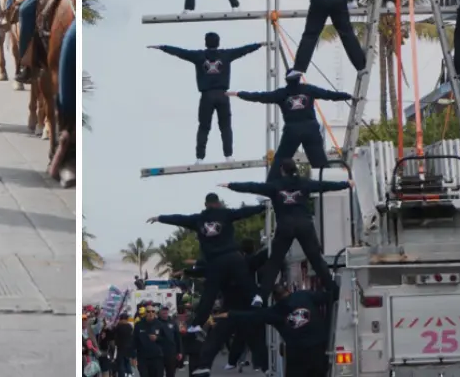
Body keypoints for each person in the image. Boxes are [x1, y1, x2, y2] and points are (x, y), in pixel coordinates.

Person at [221, 158, 351, 297]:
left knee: (274, 262)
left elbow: (253, 187)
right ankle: (333, 289)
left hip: (285, 226)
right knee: (316, 259)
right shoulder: (304, 183)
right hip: (304, 225)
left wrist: (231, 185)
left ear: (282, 171)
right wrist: (346, 184)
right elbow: (324, 185)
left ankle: (261, 296)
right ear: (295, 169)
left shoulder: (275, 186)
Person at [148, 193, 266, 331]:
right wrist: (262, 207)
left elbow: (179, 219)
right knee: (243, 277)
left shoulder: (198, 219)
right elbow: (244, 212)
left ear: (205, 204)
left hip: (215, 261)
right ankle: (255, 296)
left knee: (209, 293)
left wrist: (160, 218)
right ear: (218, 203)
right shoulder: (226, 214)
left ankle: (197, 324)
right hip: (233, 256)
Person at [148, 33, 263, 162]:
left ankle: (200, 158)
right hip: (223, 95)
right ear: (218, 43)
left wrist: (163, 47)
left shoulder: (199, 56)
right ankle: (228, 156)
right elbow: (243, 50)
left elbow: (180, 52)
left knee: (204, 127)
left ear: (205, 43)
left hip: (207, 96)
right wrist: (259, 45)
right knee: (225, 126)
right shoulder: (226, 55)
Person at [230, 68, 353, 177]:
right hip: (311, 129)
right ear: (299, 78)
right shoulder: (308, 89)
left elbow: (261, 97)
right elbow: (328, 94)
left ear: (286, 80)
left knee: (280, 161)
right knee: (320, 163)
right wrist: (348, 96)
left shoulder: (282, 93)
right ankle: (328, 186)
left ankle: (271, 186)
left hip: (292, 130)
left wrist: (239, 94)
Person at [207, 283, 336, 377]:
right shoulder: (304, 296)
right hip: (318, 350)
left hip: (298, 356)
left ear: (275, 298)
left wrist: (228, 314)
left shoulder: (275, 312)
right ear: (288, 290)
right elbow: (327, 297)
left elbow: (249, 316)